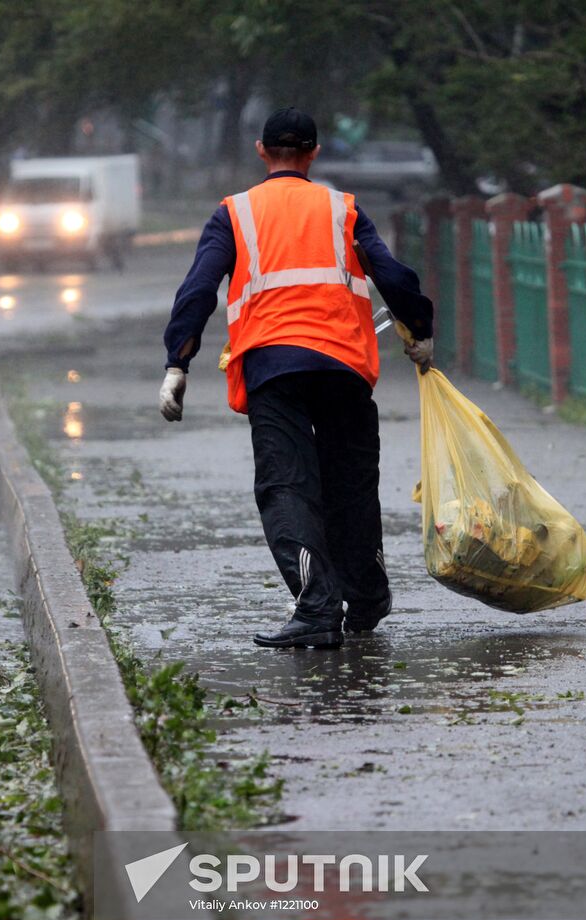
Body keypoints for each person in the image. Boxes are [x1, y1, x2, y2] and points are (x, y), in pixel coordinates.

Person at [159, 108, 433, 650]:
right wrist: (419, 329)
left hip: (273, 368)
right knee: (351, 484)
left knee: (287, 485)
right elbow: (393, 274)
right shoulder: (343, 209)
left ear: (262, 151)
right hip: (343, 365)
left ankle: (316, 608)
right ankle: (368, 596)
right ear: (313, 153)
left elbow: (198, 290)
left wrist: (177, 364)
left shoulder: (234, 213)